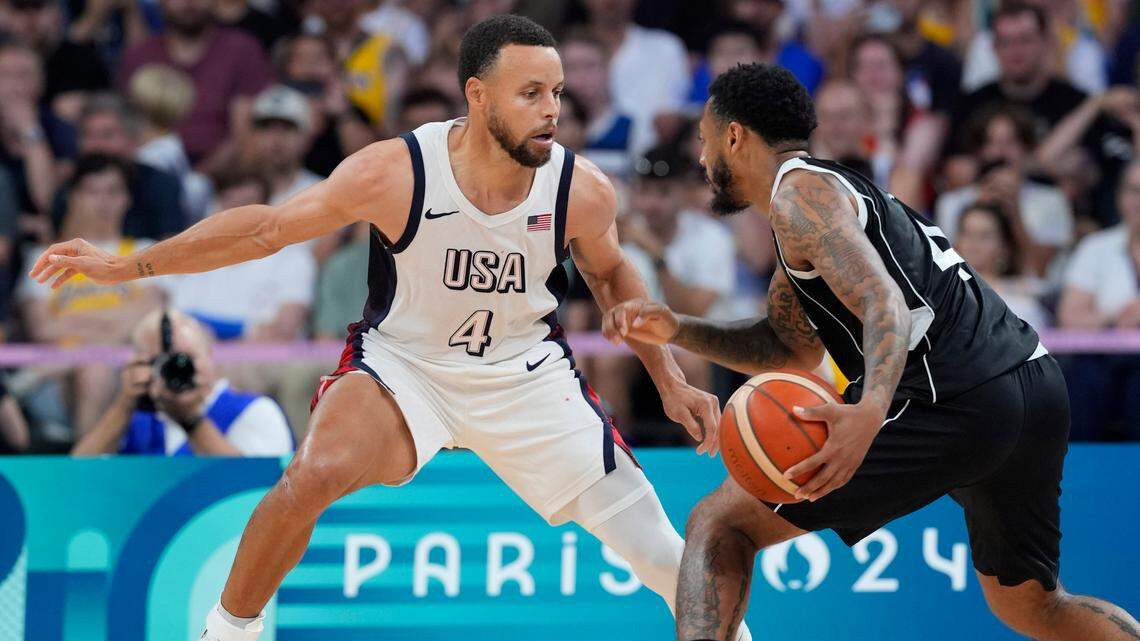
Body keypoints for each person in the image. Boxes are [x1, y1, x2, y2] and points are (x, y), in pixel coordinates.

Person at [30, 16, 752, 641]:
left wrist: (670, 379)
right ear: (478, 94)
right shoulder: (398, 172)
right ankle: (226, 631)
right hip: (406, 366)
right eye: (531, 93)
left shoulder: (580, 188)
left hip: (525, 376)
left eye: (557, 93)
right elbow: (265, 230)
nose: (551, 110)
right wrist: (127, 267)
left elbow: (614, 276)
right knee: (311, 473)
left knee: (661, 553)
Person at [602, 63, 1138, 641]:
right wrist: (677, 328)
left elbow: (885, 302)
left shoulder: (799, 198)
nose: (703, 158)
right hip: (1031, 384)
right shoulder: (824, 197)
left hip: (952, 395)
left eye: (704, 140)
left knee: (719, 523)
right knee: (1032, 606)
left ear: (734, 136)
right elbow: (786, 347)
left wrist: (869, 411)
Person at [72, 309, 294, 457]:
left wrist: (190, 420)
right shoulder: (137, 421)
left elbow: (252, 486)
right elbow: (76, 476)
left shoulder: (255, 410)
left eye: (185, 359)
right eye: (159, 362)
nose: (175, 370)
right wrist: (125, 404)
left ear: (209, 355)